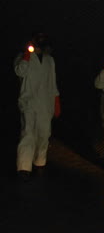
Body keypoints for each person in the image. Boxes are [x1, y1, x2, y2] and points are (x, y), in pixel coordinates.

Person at [14, 32, 61, 181]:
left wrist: (56, 101)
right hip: (28, 102)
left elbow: (53, 83)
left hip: (45, 103)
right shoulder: (22, 58)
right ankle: (24, 168)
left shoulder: (49, 61)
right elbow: (19, 71)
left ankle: (40, 162)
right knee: (28, 133)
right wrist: (27, 55)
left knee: (44, 134)